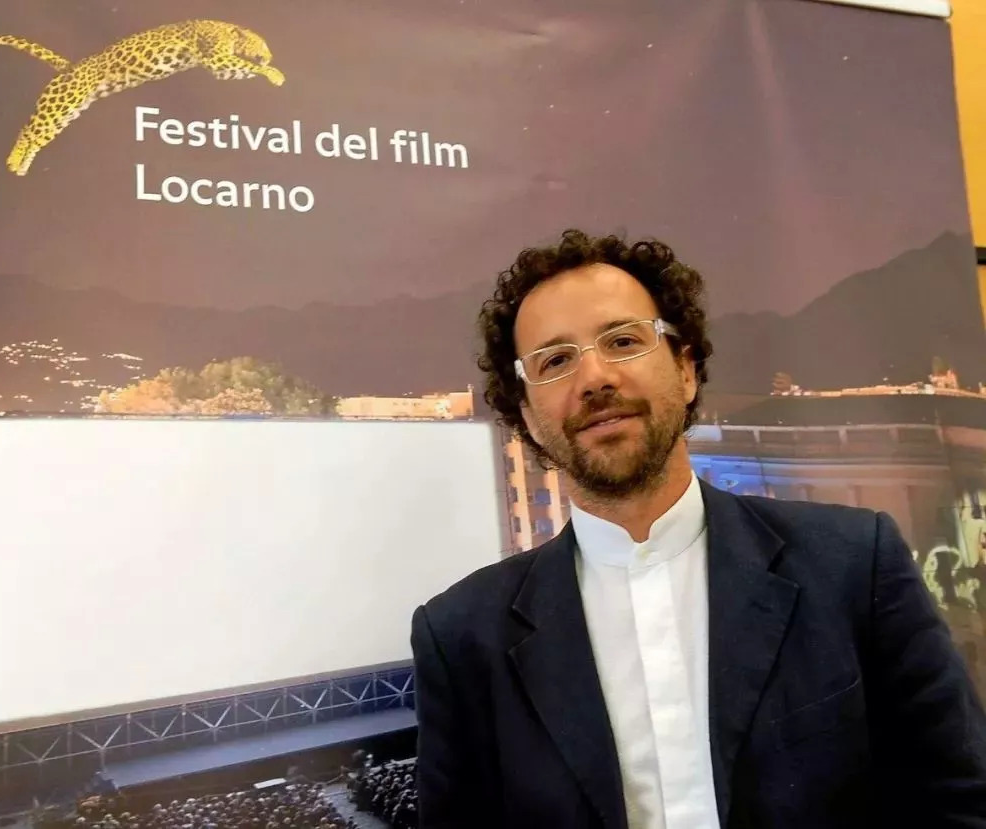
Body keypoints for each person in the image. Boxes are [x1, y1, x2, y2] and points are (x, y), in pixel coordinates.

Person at [409, 229, 986, 828]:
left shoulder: (853, 566)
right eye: (555, 361)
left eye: (623, 341)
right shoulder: (462, 638)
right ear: (527, 415)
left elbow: (960, 801)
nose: (595, 377)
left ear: (685, 369)